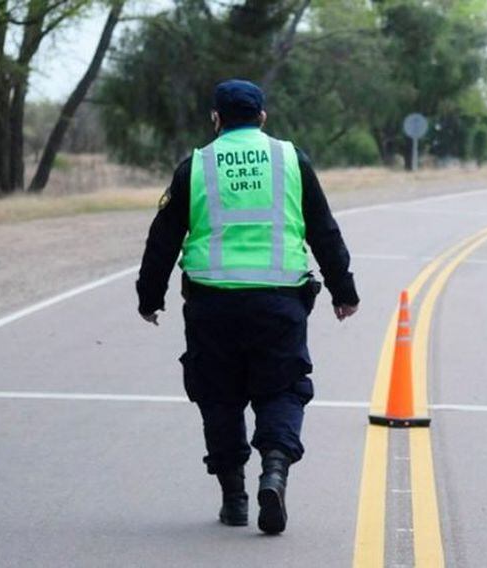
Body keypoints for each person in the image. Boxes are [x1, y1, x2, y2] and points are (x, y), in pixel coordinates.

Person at [135, 79, 359, 535]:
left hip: (211, 304)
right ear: (262, 116)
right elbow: (323, 230)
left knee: (219, 396)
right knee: (282, 390)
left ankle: (234, 499)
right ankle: (274, 472)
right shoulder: (291, 160)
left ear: (215, 118)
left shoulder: (194, 167)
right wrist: (343, 291)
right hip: (278, 302)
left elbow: (162, 239)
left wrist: (149, 297)